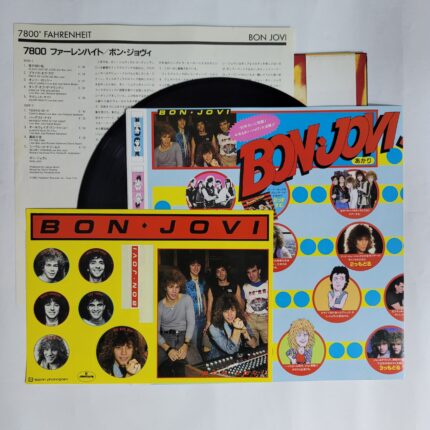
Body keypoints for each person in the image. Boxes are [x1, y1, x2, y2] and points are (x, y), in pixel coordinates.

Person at [158, 267, 196, 377]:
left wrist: (186, 344)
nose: (174, 291)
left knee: (196, 368)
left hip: (184, 337)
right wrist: (168, 349)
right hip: (165, 339)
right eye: (171, 287)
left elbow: (191, 323)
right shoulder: (159, 306)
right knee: (157, 368)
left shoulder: (186, 299)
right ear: (165, 287)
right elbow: (155, 332)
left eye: (177, 287)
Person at [208, 295, 257, 360]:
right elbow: (231, 350)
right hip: (221, 360)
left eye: (232, 310)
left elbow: (253, 345)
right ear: (221, 313)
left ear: (236, 310)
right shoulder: (214, 328)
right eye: (226, 311)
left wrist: (245, 332)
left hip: (239, 357)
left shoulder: (240, 320)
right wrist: (237, 329)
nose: (230, 314)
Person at [205, 263, 244, 336]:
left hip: (232, 320)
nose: (221, 273)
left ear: (226, 272)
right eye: (218, 271)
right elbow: (209, 309)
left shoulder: (234, 286)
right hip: (217, 321)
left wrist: (241, 319)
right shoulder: (212, 288)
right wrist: (208, 322)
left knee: (235, 341)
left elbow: (239, 305)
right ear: (216, 275)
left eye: (223, 270)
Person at [184, 257, 206, 359]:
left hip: (202, 317)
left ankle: (201, 361)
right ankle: (197, 364)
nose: (196, 268)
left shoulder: (202, 281)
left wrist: (205, 309)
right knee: (193, 344)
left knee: (200, 342)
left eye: (198, 265)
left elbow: (203, 295)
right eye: (193, 265)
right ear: (189, 267)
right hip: (191, 318)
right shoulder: (184, 282)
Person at [242, 262, 268, 345]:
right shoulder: (245, 286)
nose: (251, 275)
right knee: (253, 346)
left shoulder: (268, 283)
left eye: (254, 271)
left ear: (259, 271)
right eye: (248, 272)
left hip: (265, 319)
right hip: (251, 319)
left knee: (269, 345)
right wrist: (243, 312)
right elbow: (242, 302)